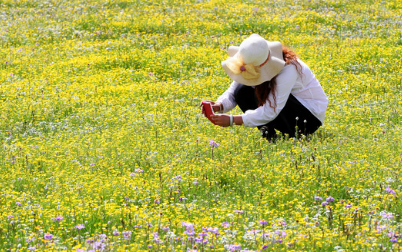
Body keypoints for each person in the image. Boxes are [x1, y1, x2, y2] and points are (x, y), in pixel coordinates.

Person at [201, 34, 328, 141]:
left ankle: (291, 135)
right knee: (242, 89)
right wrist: (219, 105)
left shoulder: (289, 68)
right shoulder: (251, 60)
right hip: (284, 109)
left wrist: (233, 120)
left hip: (308, 117)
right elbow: (234, 91)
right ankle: (270, 135)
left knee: (255, 92)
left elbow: (272, 109)